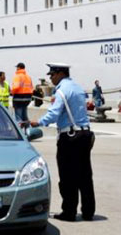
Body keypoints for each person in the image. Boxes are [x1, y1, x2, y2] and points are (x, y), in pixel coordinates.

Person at [25, 63, 95, 222]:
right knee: (85, 175)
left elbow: (54, 114)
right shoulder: (77, 88)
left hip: (70, 137)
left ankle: (69, 212)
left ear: (60, 74)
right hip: (85, 134)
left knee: (68, 176)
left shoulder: (62, 90)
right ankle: (88, 211)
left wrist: (39, 122)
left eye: (52, 75)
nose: (51, 78)